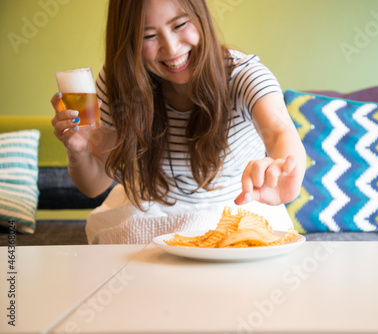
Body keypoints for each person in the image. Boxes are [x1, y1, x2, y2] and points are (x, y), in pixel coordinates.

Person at [50, 0, 305, 244]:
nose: (171, 49)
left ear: (200, 15)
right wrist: (78, 151)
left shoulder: (243, 74)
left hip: (231, 215)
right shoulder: (119, 82)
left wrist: (284, 168)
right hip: (150, 216)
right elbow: (94, 186)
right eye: (148, 35)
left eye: (180, 24)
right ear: (128, 41)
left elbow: (279, 130)